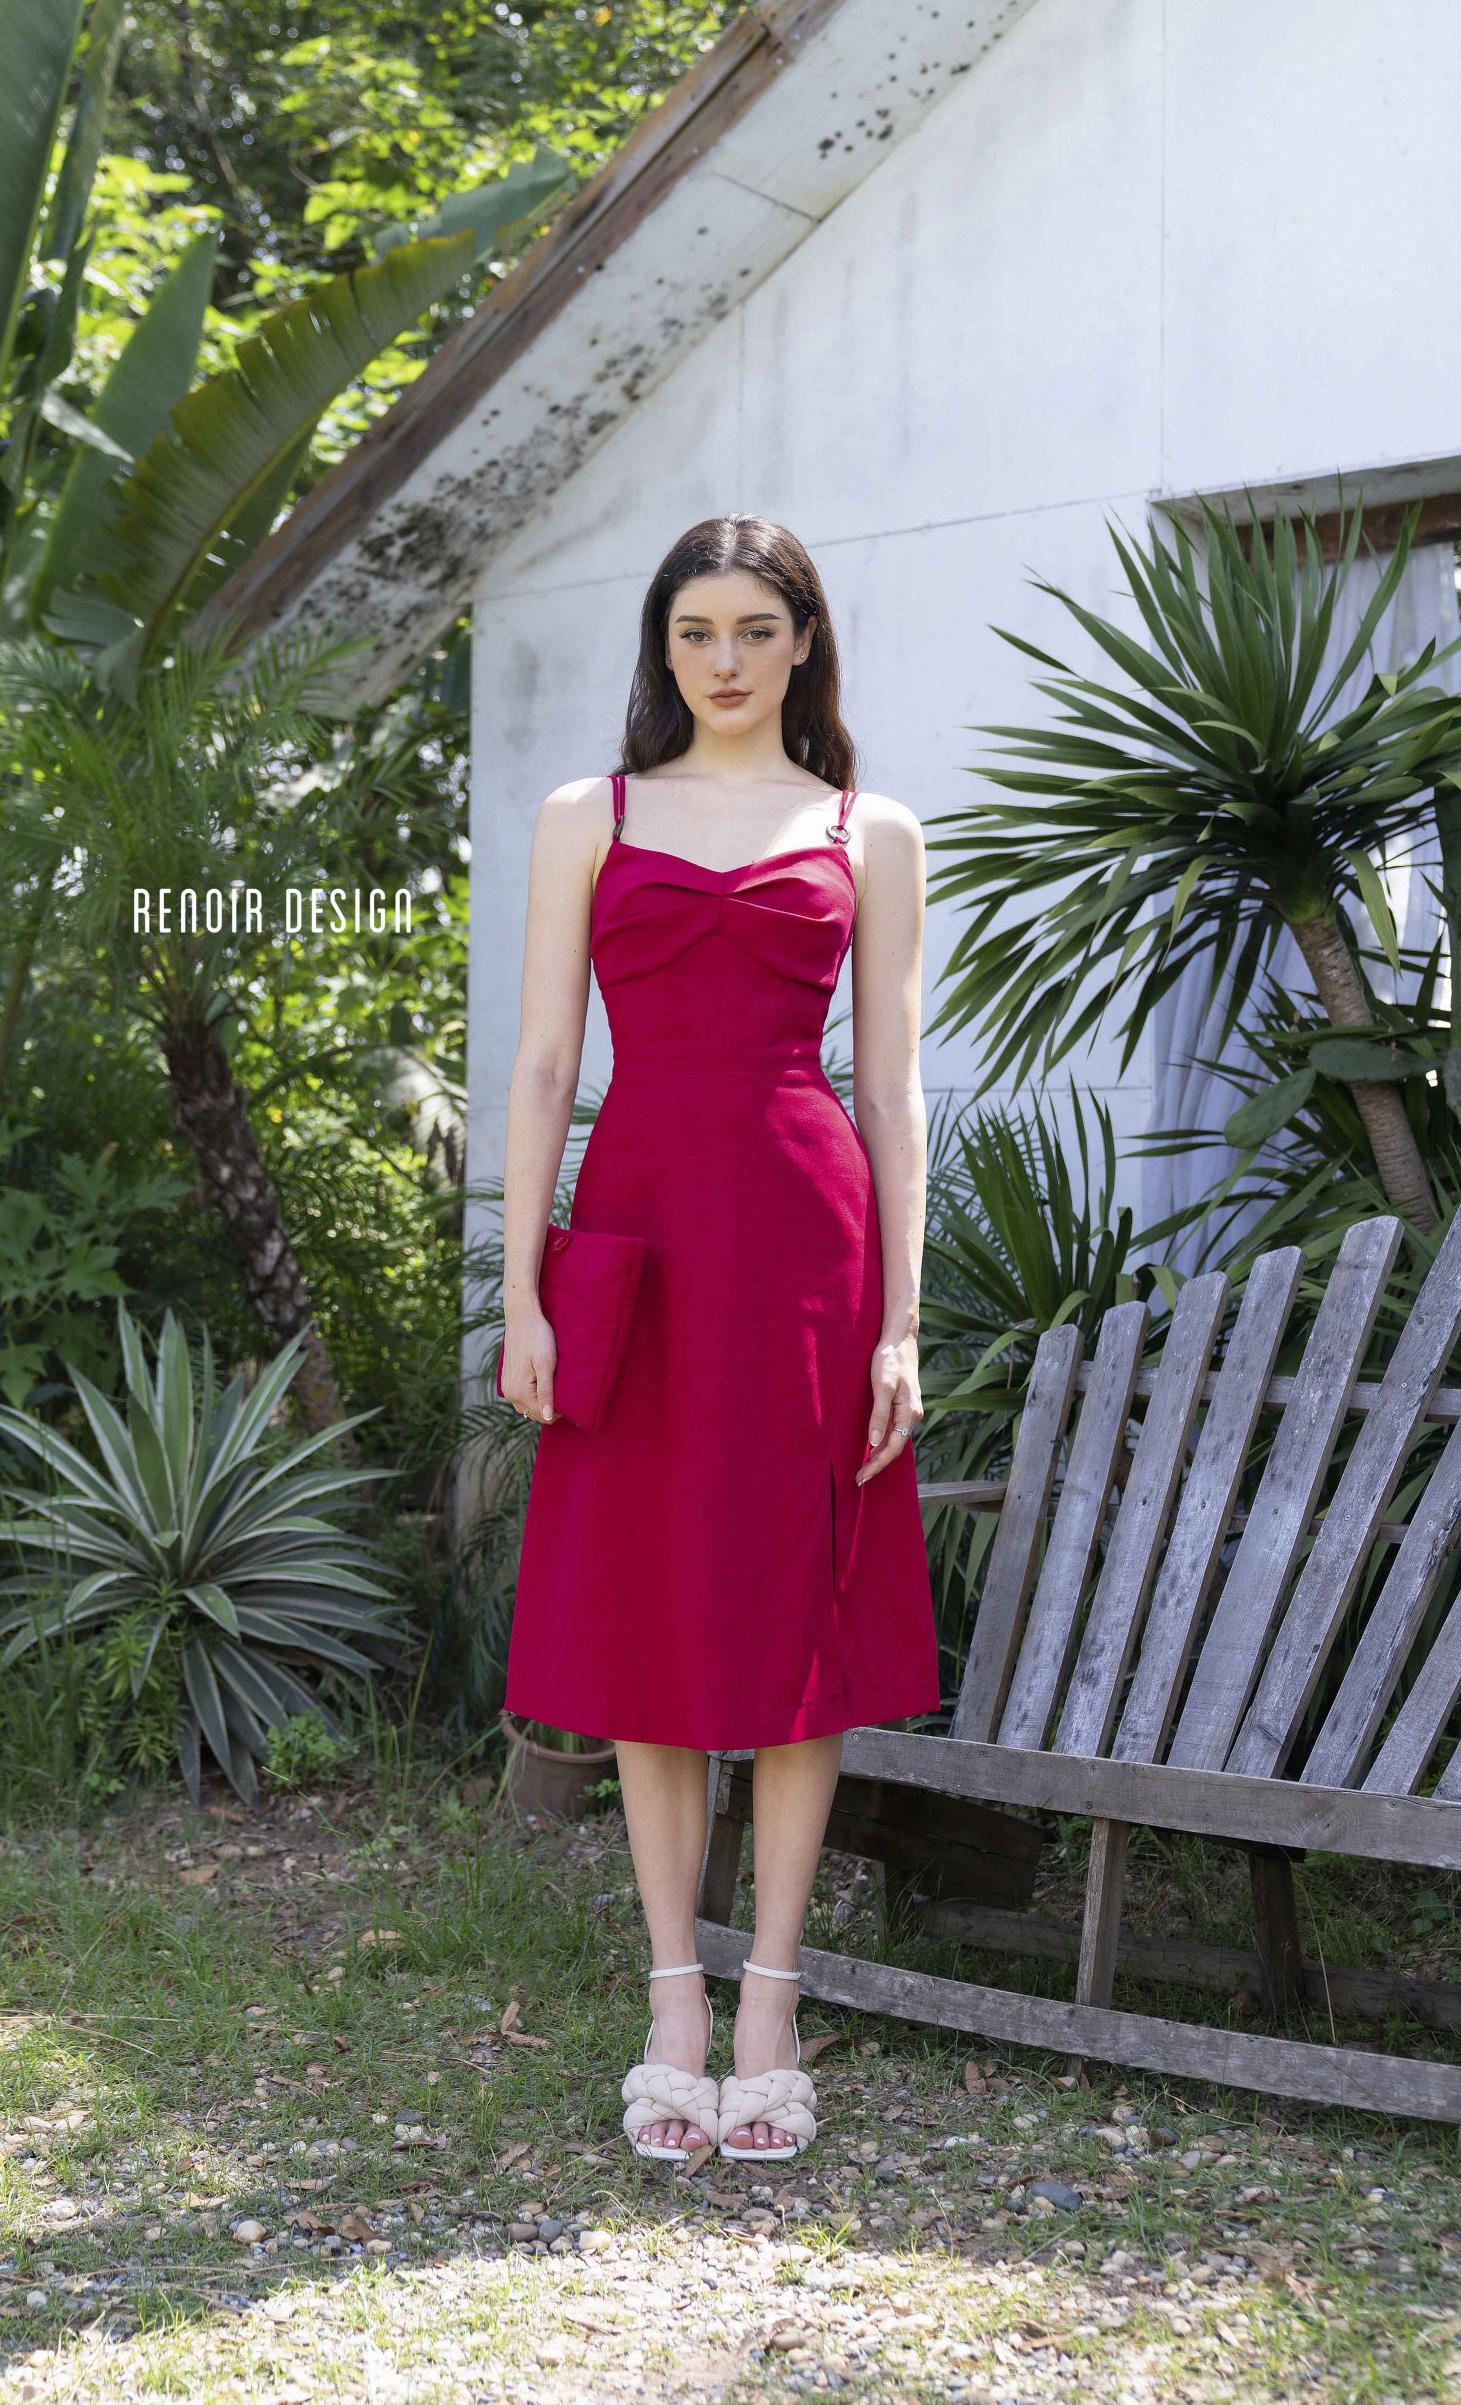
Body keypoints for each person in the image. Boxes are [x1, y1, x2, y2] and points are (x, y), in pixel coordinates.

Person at [496, 512, 940, 2164]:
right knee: (651, 1617)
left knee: (798, 1612)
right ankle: (674, 1999)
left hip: (809, 1249)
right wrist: (524, 1288)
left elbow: (893, 1089)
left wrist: (902, 1325)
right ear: (663, 647)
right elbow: (546, 1066)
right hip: (641, 1237)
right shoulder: (588, 816)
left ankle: (772, 2005)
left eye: (757, 628)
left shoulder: (868, 829)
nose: (727, 659)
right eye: (697, 631)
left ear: (804, 639)